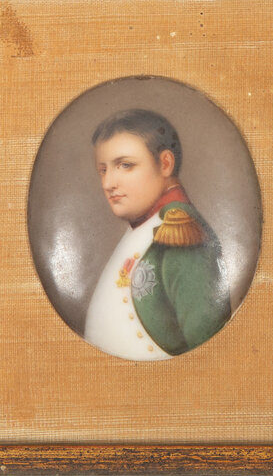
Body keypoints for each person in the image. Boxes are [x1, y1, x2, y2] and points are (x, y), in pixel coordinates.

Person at [84, 109, 231, 361]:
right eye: (103, 170)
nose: (108, 183)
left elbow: (212, 357)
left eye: (125, 165)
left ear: (165, 164)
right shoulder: (142, 227)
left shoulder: (182, 236)